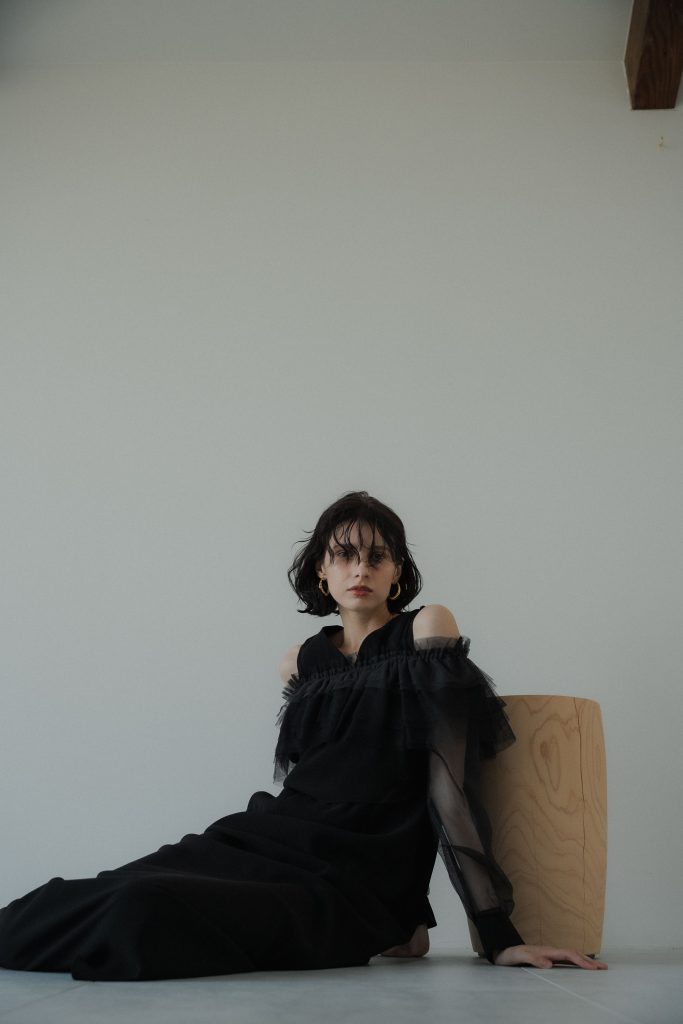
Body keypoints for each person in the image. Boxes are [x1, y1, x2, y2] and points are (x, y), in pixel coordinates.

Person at [0, 490, 607, 980]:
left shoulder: (426, 630)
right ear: (322, 568)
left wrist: (496, 934)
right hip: (273, 836)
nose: (360, 569)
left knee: (141, 907)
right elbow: (313, 775)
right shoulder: (300, 662)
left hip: (352, 877)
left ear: (398, 571)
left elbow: (448, 787)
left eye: (377, 556)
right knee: (96, 889)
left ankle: (394, 923)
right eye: (344, 555)